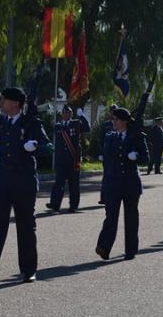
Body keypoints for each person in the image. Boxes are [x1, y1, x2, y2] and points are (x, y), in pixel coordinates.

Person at [0, 87, 51, 284]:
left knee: (25, 226)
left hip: (24, 182)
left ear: (15, 104)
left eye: (5, 100)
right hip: (3, 181)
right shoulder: (1, 122)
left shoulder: (32, 123)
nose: (1, 102)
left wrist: (34, 145)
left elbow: (48, 147)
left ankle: (29, 270)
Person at [95, 107, 149, 261]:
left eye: (116, 119)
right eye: (113, 119)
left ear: (124, 121)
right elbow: (107, 162)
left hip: (131, 184)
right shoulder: (109, 137)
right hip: (113, 183)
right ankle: (104, 247)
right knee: (110, 217)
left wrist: (136, 156)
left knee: (131, 218)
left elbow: (146, 158)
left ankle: (130, 250)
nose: (114, 122)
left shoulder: (137, 136)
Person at [46, 104, 90, 213]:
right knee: (58, 183)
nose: (67, 114)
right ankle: (55, 205)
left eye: (69, 112)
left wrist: (82, 116)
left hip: (73, 159)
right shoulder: (57, 126)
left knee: (74, 184)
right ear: (62, 114)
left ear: (71, 114)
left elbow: (87, 128)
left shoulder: (76, 123)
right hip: (61, 161)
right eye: (65, 112)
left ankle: (73, 206)